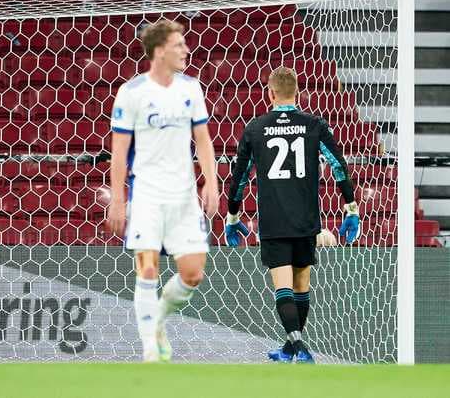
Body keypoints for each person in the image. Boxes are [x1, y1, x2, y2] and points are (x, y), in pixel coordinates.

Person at [225, 66, 361, 363]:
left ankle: (298, 348)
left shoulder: (256, 127)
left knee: (284, 287)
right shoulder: (314, 124)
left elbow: (240, 179)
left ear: (269, 93)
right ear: (297, 92)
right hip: (306, 219)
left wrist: (232, 216)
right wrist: (351, 208)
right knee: (302, 286)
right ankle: (291, 348)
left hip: (274, 221)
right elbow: (339, 166)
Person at [108, 20, 218, 362]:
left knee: (193, 273)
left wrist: (211, 181)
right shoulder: (132, 92)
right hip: (147, 197)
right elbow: (119, 151)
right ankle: (149, 351)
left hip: (184, 196)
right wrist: (118, 199)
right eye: (179, 44)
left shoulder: (191, 88)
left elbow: (203, 139)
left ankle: (157, 321)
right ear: (159, 50)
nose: (186, 49)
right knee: (147, 269)